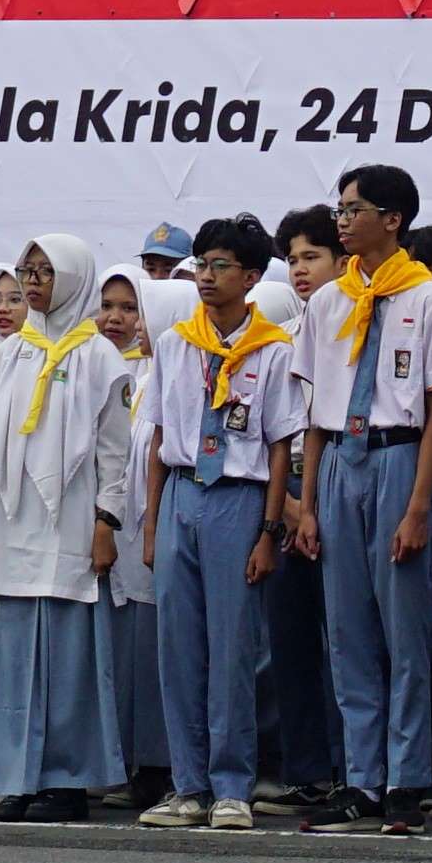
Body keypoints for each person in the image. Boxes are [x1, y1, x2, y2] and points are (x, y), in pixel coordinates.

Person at [139, 216, 306, 830]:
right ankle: (188, 785)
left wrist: (269, 531)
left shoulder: (273, 350)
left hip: (238, 496)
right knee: (177, 646)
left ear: (253, 277)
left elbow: (282, 445)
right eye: (202, 265)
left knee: (232, 647)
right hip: (183, 492)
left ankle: (232, 782)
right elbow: (161, 437)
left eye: (221, 267)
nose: (206, 278)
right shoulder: (177, 342)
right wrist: (153, 526)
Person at [0, 244, 144, 824]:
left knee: (67, 657)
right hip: (12, 524)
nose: (34, 283)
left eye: (46, 273)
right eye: (27, 272)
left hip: (71, 524)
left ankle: (66, 779)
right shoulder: (12, 351)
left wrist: (105, 523)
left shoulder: (99, 357)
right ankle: (18, 775)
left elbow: (115, 453)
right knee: (17, 655)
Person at [303, 165, 432, 834]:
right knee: (348, 629)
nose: (341, 219)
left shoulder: (427, 298)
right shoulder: (329, 301)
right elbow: (311, 410)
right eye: (339, 207)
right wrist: (306, 502)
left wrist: (419, 503)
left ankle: (405, 775)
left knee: (403, 627)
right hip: (340, 457)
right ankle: (360, 775)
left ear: (391, 219)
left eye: (353, 207)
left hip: (398, 454)